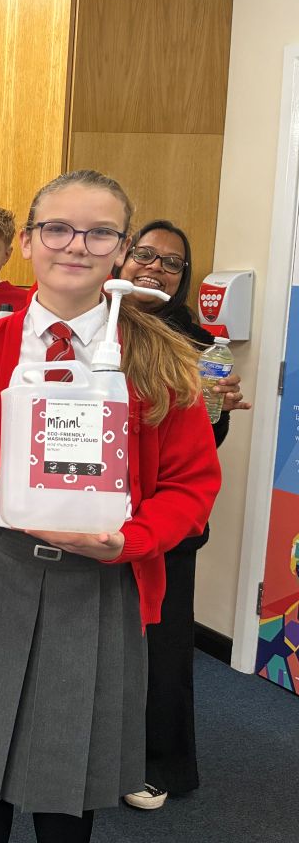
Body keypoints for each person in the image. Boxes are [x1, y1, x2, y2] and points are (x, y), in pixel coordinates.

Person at [0, 170, 222, 843]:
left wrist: (129, 541)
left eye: (99, 231)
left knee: (67, 775)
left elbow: (191, 486)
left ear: (120, 249)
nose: (75, 245)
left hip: (98, 582)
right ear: (27, 242)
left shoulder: (160, 360)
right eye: (56, 228)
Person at [117, 219, 250, 810]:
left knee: (163, 647)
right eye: (144, 254)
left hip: (166, 524)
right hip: (92, 514)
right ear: (122, 259)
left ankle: (159, 764)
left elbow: (201, 448)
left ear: (184, 277)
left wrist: (218, 410)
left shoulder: (197, 343)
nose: (154, 267)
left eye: (171, 263)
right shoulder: (95, 325)